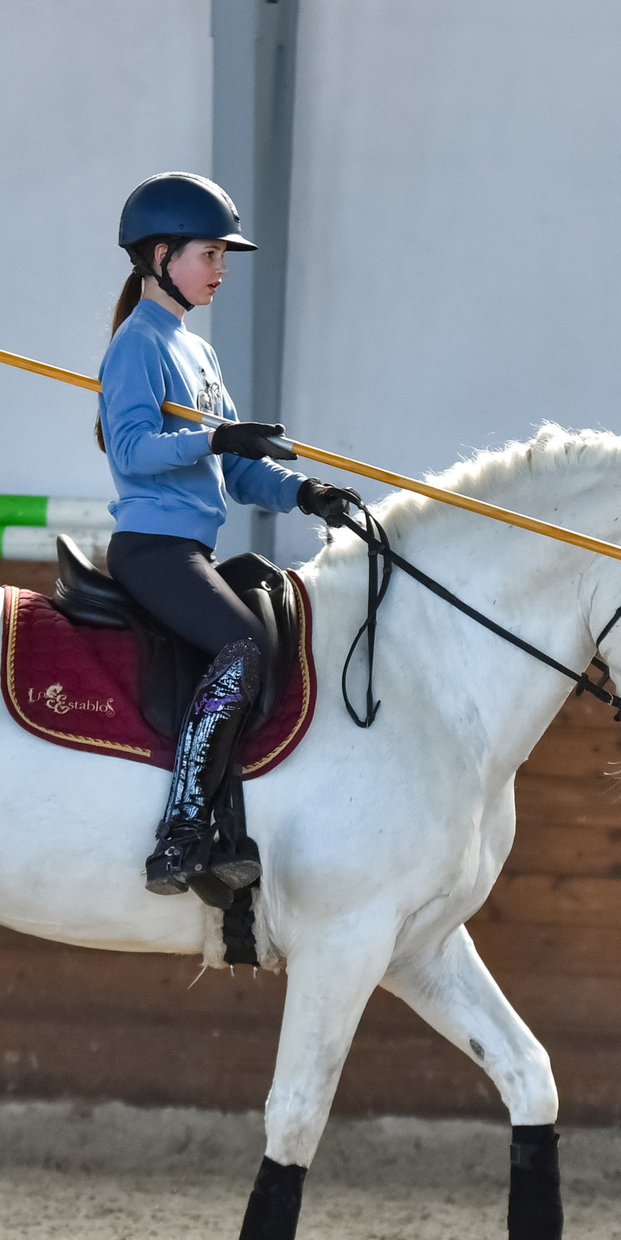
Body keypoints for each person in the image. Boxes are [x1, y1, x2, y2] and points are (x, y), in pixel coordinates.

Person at [97, 172, 357, 897]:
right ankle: (181, 831)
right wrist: (210, 442)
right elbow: (132, 451)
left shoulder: (199, 354)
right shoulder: (136, 346)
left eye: (222, 255)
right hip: (151, 547)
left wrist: (307, 492)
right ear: (159, 255)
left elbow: (240, 471)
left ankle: (231, 816)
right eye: (209, 253)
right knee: (241, 647)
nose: (221, 269)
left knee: (273, 626)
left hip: (194, 549)